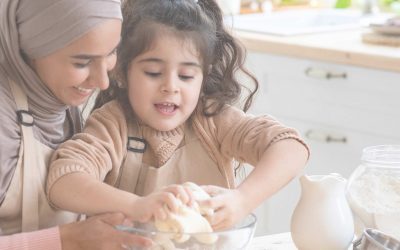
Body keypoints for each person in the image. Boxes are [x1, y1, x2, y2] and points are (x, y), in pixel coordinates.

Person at [46, 0, 310, 232]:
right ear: (121, 73)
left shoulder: (213, 120)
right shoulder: (113, 124)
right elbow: (63, 181)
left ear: (203, 77)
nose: (170, 86)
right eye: (152, 72)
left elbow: (290, 146)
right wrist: (137, 206)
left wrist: (243, 199)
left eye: (186, 76)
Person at [0, 0, 163, 249]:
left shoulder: (59, 99)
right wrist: (68, 238)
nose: (102, 81)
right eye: (82, 62)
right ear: (31, 49)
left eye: (111, 53)